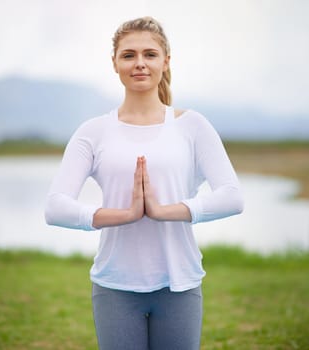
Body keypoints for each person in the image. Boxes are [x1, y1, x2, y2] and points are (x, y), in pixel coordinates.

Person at [45, 16, 244, 350]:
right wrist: (124, 214)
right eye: (129, 55)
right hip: (114, 285)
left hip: (179, 283)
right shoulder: (93, 131)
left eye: (150, 54)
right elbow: (55, 207)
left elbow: (232, 197)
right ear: (115, 64)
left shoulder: (193, 126)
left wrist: (166, 211)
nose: (140, 63)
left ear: (166, 61)